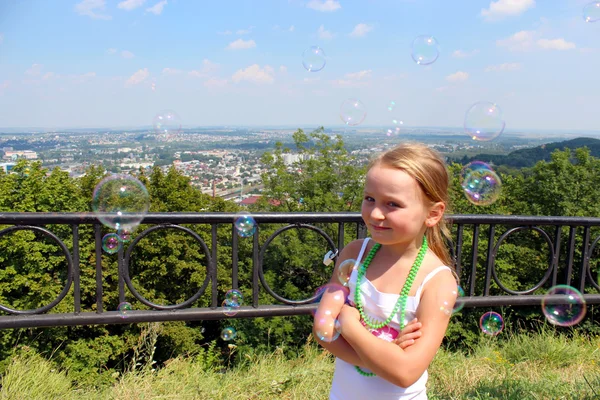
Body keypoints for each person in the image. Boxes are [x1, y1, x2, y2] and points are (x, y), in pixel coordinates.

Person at [313, 142, 458, 400]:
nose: (376, 213)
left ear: (433, 213)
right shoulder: (353, 254)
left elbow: (405, 373)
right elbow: (323, 330)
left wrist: (348, 324)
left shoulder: (437, 282)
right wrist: (387, 356)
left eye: (392, 204)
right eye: (370, 199)